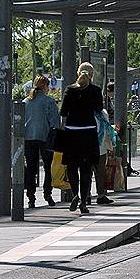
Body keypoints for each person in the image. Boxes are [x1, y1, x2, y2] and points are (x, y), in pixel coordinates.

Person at [59, 62, 104, 214]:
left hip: (72, 134)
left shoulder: (70, 90)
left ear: (78, 73)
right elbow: (98, 108)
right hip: (88, 134)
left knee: (71, 166)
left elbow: (63, 112)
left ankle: (75, 194)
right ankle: (83, 202)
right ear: (91, 75)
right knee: (86, 169)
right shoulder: (95, 90)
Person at [23, 76, 60, 208]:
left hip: (29, 138)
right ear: (45, 86)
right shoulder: (49, 101)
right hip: (46, 138)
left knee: (31, 169)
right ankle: (47, 195)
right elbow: (55, 121)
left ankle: (31, 197)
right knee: (48, 167)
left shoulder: (26, 101)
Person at [93, 109, 115, 205]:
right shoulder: (103, 113)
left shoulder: (82, 110)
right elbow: (107, 130)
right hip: (100, 146)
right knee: (100, 172)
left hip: (86, 147)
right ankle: (100, 195)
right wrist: (111, 146)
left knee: (86, 172)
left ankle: (86, 196)